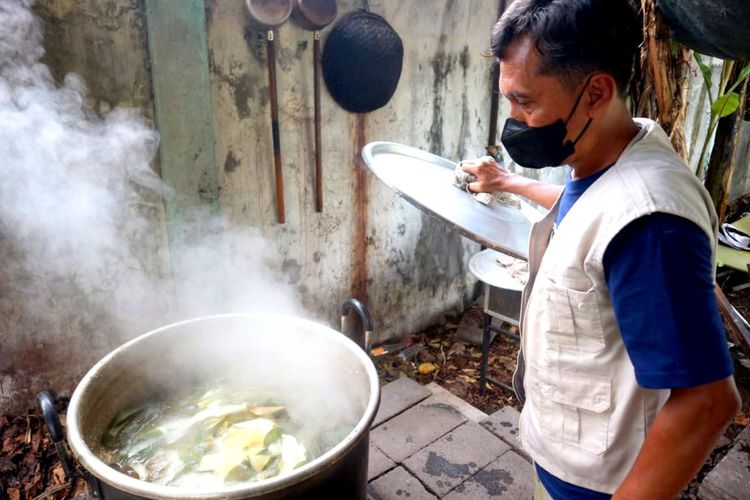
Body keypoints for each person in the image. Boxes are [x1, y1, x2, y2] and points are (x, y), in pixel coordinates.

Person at [461, 0, 742, 498]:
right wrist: (507, 181)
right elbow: (589, 207)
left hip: (597, 483)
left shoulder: (652, 227)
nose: (514, 120)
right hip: (562, 451)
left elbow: (706, 403)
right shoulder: (609, 158)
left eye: (525, 103)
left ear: (596, 91)